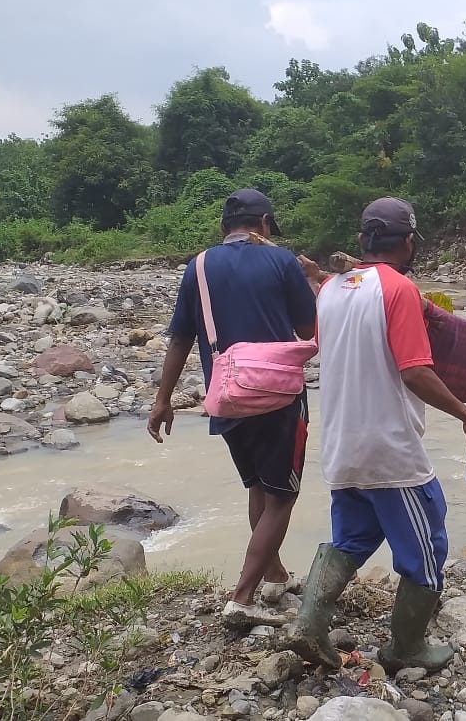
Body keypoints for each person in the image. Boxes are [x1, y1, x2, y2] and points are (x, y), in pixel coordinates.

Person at [288, 197, 466, 674]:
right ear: (408, 242)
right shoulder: (398, 289)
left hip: (341, 449)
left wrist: (318, 277)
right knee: (428, 543)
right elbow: (415, 372)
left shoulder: (331, 291)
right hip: (390, 452)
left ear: (362, 240)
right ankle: (406, 647)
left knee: (353, 537)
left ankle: (310, 621)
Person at [148, 189, 317, 626]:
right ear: (262, 222)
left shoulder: (198, 266)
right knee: (283, 497)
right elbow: (307, 326)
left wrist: (163, 400)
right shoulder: (282, 261)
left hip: (226, 394)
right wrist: (313, 284)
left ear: (225, 227)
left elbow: (181, 338)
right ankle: (242, 598)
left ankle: (274, 574)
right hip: (278, 395)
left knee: (258, 488)